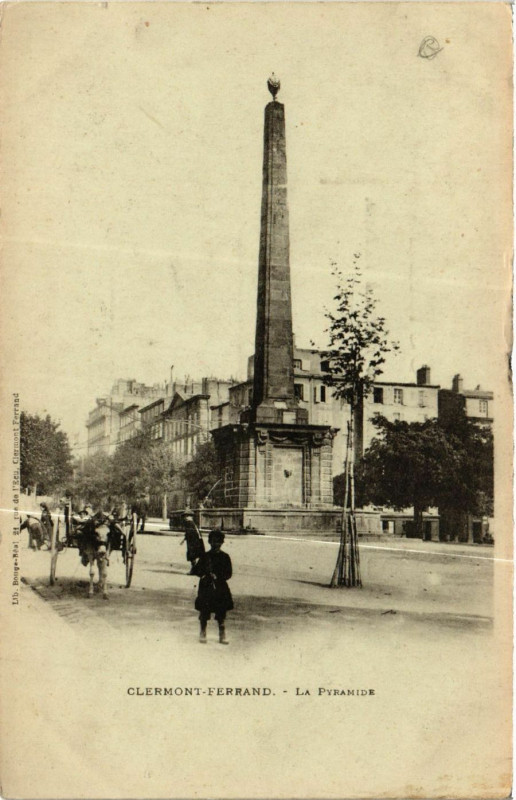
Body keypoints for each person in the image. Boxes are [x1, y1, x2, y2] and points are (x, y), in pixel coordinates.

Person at [192, 529, 233, 645]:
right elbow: (197, 571)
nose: (216, 544)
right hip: (206, 587)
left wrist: (218, 576)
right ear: (209, 542)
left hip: (220, 587)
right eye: (213, 541)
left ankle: (222, 635)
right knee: (204, 611)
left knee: (221, 613)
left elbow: (229, 573)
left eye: (218, 542)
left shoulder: (225, 557)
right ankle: (203, 632)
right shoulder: (205, 556)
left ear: (222, 543)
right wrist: (203, 573)